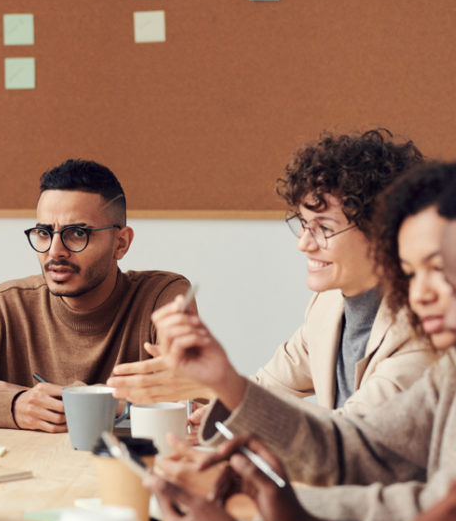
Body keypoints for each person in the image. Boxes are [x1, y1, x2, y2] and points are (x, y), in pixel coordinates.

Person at [148, 150, 456, 521]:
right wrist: (225, 384)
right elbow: (356, 446)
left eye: (445, 273)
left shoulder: (434, 346)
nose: (421, 295)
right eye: (410, 272)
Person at [111, 129, 436, 414]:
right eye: (304, 225)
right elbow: (268, 387)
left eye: (323, 227)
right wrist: (211, 402)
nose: (304, 244)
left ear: (384, 233)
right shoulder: (328, 306)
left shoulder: (423, 327)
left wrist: (218, 386)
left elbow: (352, 438)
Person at [0, 159, 194, 431]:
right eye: (44, 233)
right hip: (28, 471)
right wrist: (15, 405)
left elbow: (190, 398)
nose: (55, 250)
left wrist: (12, 390)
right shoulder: (3, 308)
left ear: (121, 243)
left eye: (77, 233)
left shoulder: (164, 298)